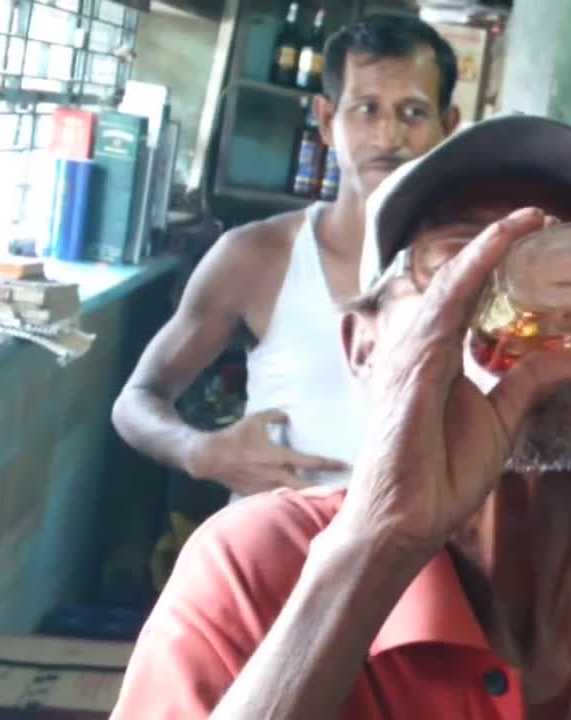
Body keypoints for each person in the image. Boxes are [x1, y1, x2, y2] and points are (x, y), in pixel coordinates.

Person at [110, 115, 571, 719]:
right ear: (364, 348)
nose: (519, 326)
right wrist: (377, 545)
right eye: (457, 266)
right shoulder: (253, 570)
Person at [112, 14, 462, 496]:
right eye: (366, 109)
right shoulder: (257, 257)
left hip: (408, 562)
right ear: (325, 120)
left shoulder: (470, 267)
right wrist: (202, 453)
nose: (388, 137)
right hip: (270, 556)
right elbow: (136, 400)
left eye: (413, 113)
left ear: (449, 126)